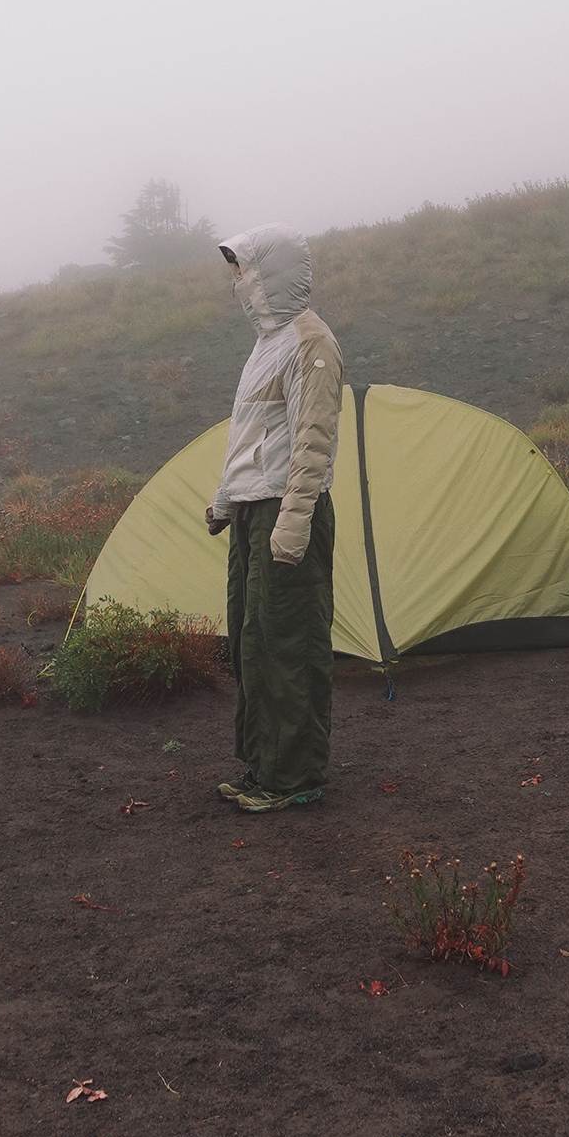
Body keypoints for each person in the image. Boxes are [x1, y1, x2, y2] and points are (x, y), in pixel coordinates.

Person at [204, 223, 344, 813]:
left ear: (270, 274)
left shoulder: (311, 342)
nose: (237, 281)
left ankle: (295, 777)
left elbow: (313, 443)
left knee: (290, 643)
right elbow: (252, 438)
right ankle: (264, 766)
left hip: (290, 513)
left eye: (244, 269)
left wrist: (293, 523)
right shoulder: (268, 344)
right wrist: (225, 501)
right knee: (253, 641)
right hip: (254, 514)